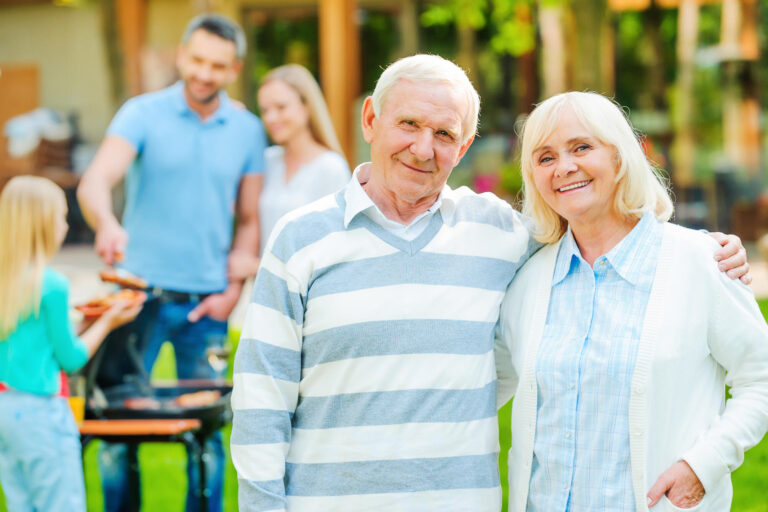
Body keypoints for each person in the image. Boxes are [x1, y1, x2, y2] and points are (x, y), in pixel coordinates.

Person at [230, 55, 750, 512]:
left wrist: (702, 250)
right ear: (371, 119)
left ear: (463, 147)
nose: (422, 148)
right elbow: (261, 397)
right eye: (408, 123)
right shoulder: (300, 238)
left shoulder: (498, 233)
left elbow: (600, 230)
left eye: (444, 134)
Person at [496, 91, 768, 512]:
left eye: (581, 148)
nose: (563, 167)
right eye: (545, 157)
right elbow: (478, 385)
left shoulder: (700, 263)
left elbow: (761, 379)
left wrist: (704, 465)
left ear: (620, 157)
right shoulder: (528, 282)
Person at [76, 13, 266, 512]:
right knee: (116, 426)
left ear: (234, 69)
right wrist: (106, 223)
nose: (204, 73)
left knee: (208, 431)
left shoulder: (248, 131)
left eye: (218, 65)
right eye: (197, 60)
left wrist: (232, 293)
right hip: (134, 299)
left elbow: (249, 220)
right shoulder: (141, 114)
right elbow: (95, 182)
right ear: (181, 55)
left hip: (207, 306)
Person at [0, 176, 141, 512]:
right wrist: (107, 322)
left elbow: (34, 341)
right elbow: (71, 358)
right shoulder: (52, 285)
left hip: (6, 412)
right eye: (61, 217)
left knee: (22, 504)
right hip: (42, 412)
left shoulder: (7, 283)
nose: (65, 225)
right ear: (45, 224)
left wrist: (84, 321)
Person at [227, 63, 350, 281]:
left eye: (281, 107)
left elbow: (335, 251)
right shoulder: (268, 161)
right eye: (265, 110)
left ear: (306, 107)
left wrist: (255, 267)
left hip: (308, 295)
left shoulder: (331, 168)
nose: (271, 118)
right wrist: (231, 122)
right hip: (266, 294)